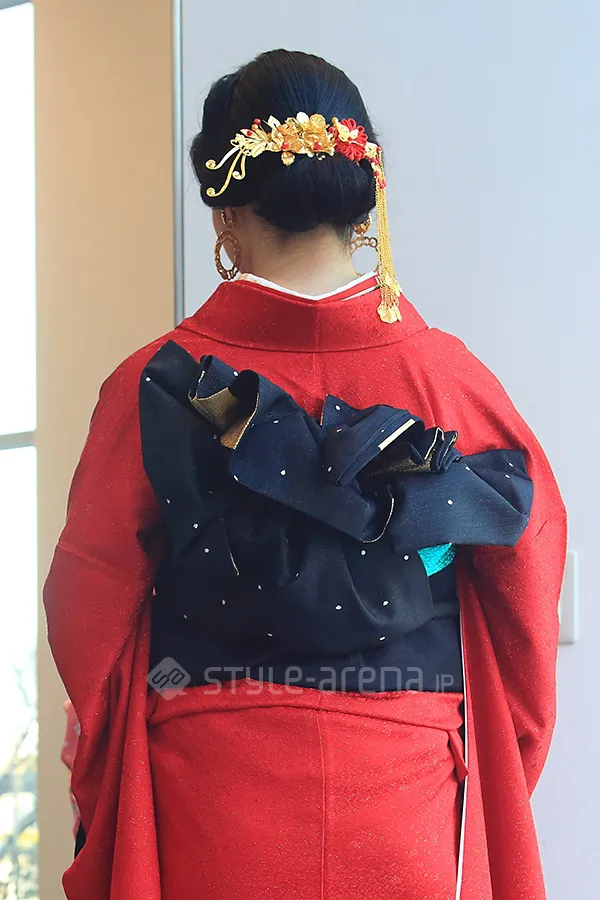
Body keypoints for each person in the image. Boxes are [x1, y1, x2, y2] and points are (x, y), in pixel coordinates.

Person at [43, 49, 567, 900]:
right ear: (363, 201)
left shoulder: (157, 384)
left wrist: (112, 773)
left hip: (211, 787)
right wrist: (498, 749)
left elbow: (88, 608)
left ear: (225, 209)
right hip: (410, 782)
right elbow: (527, 587)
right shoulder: (451, 381)